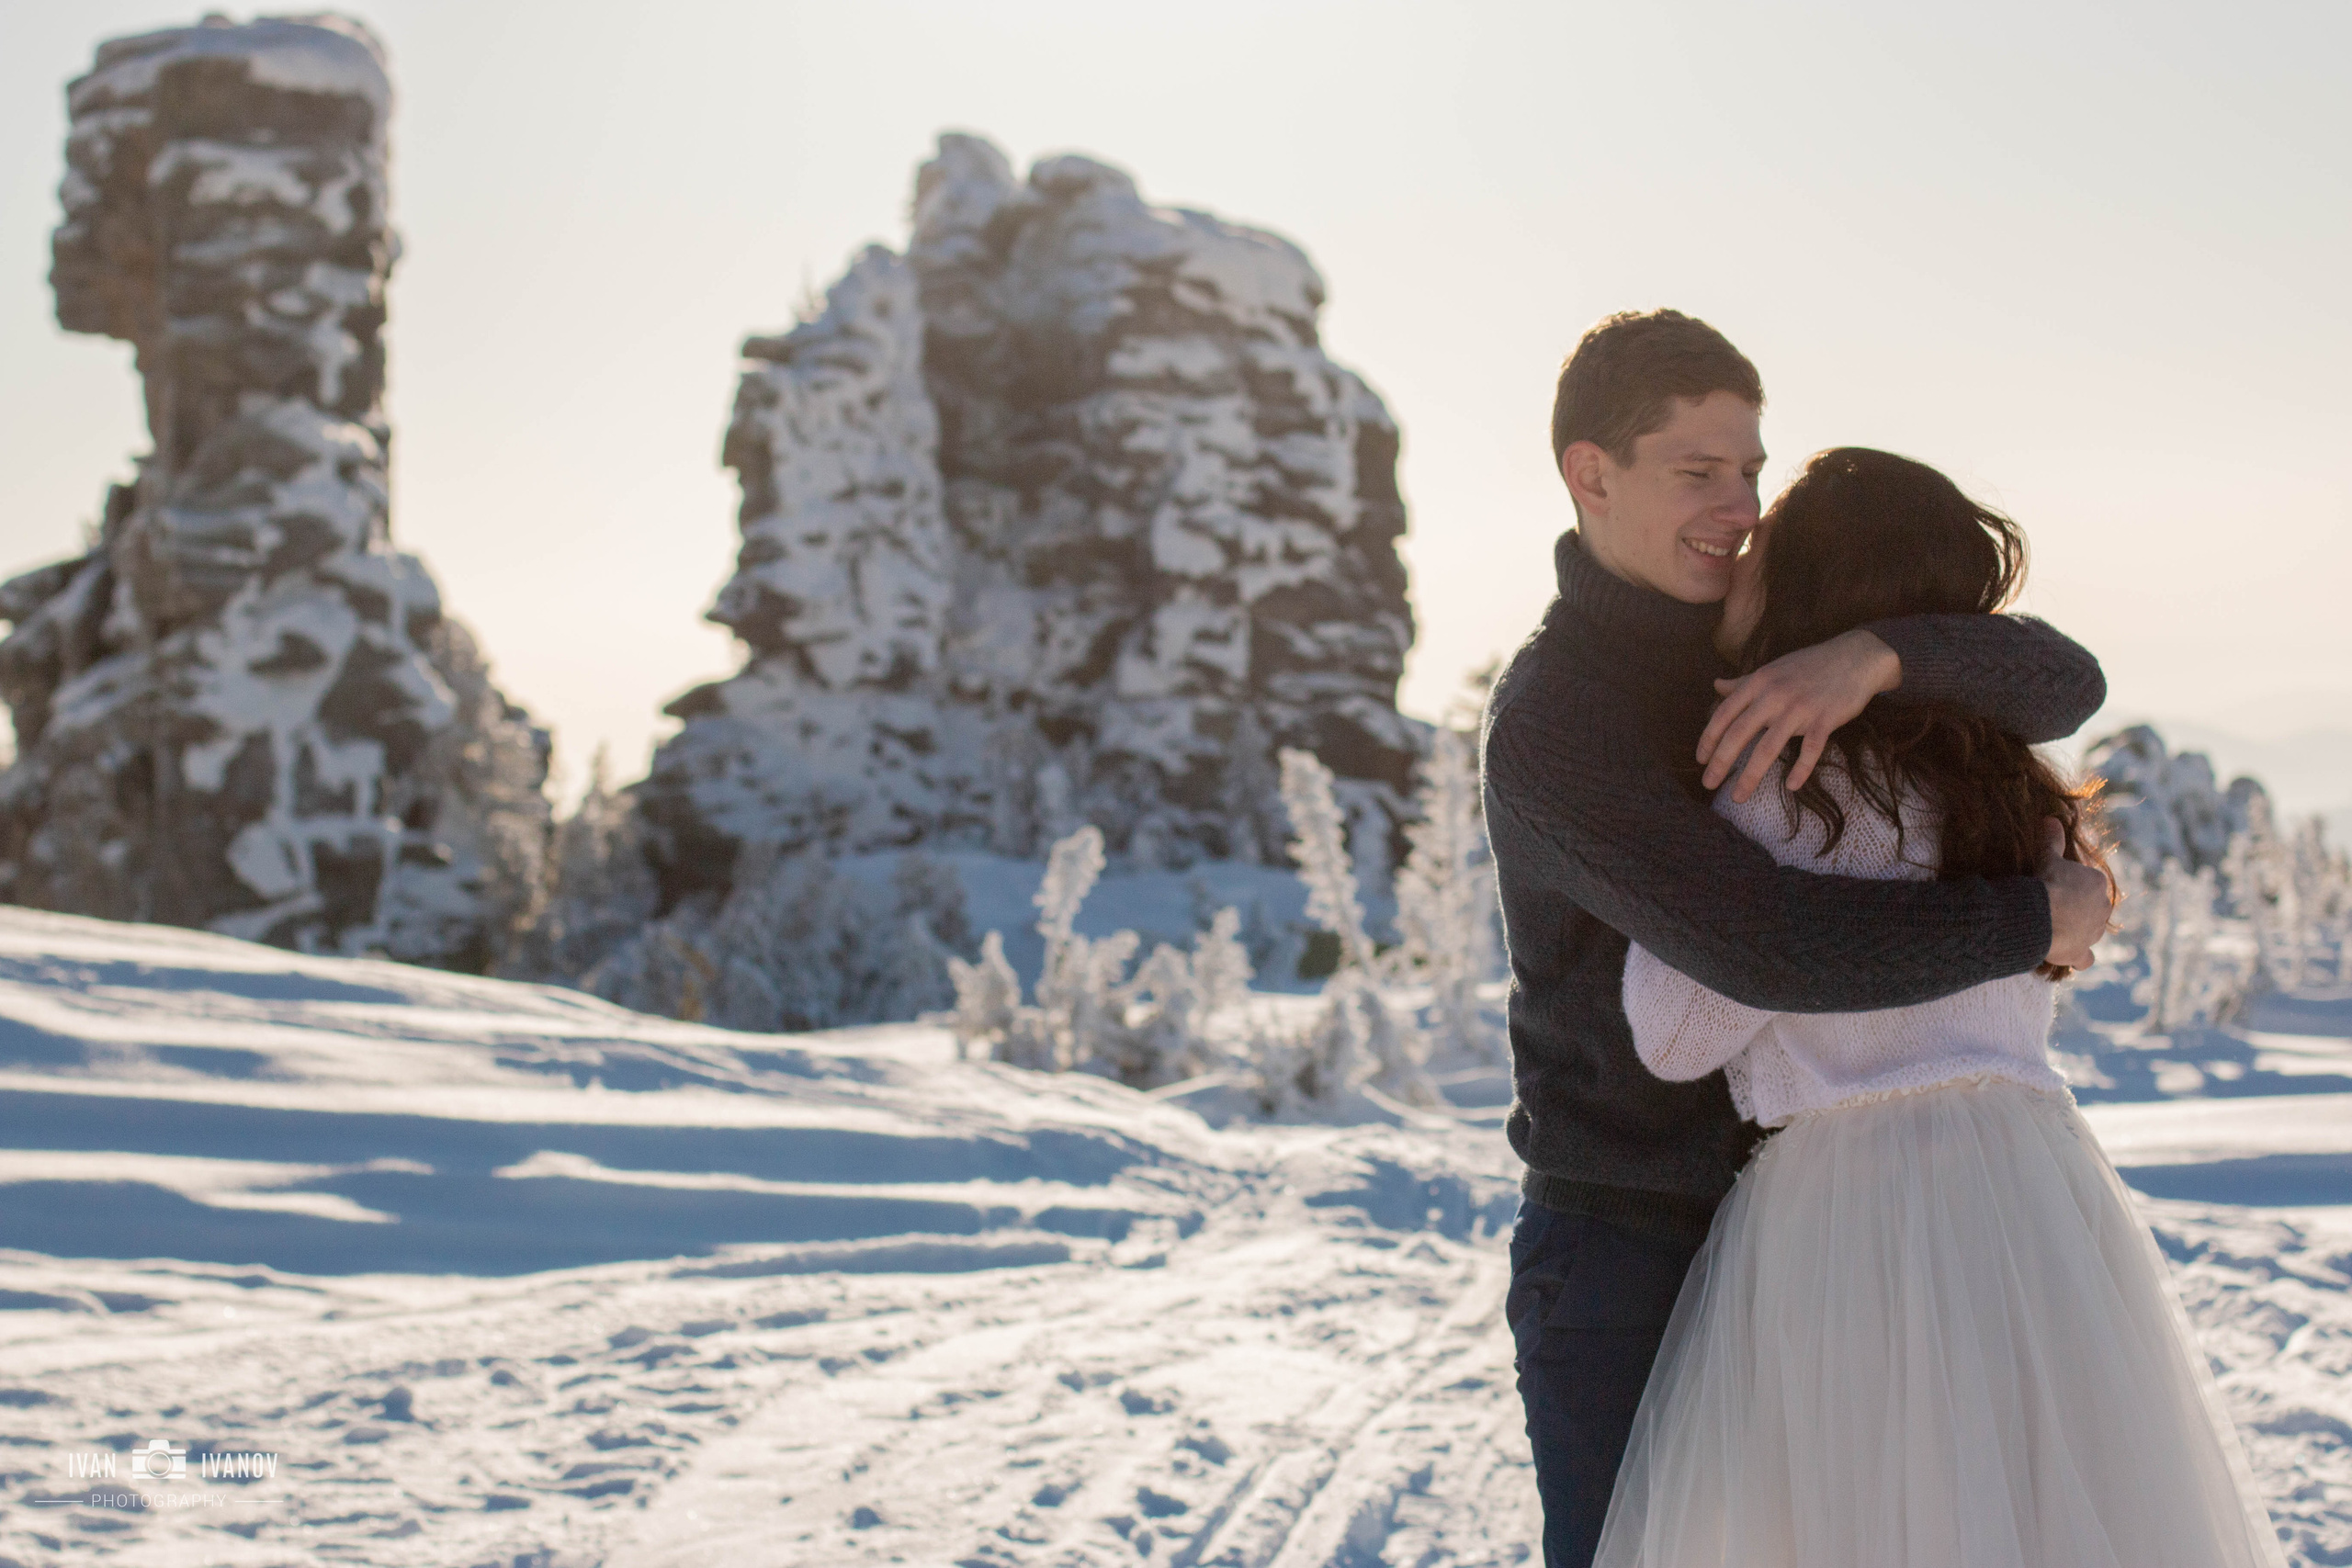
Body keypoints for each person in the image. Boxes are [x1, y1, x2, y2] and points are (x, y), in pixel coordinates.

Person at [1480, 310, 2118, 1568]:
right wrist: (2029, 918)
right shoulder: (1561, 717)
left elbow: (2067, 680)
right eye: (1699, 471)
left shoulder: (1797, 653)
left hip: (1817, 1233)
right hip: (1634, 1245)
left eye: (1754, 469)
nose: (1743, 506)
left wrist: (1879, 652)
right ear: (1590, 473)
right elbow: (1761, 944)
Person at [1592, 446, 2285, 1567]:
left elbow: (1673, 1038)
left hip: (1850, 1211)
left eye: (1767, 549)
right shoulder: (2009, 782)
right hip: (2032, 1188)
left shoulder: (1781, 783)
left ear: (1812, 590)